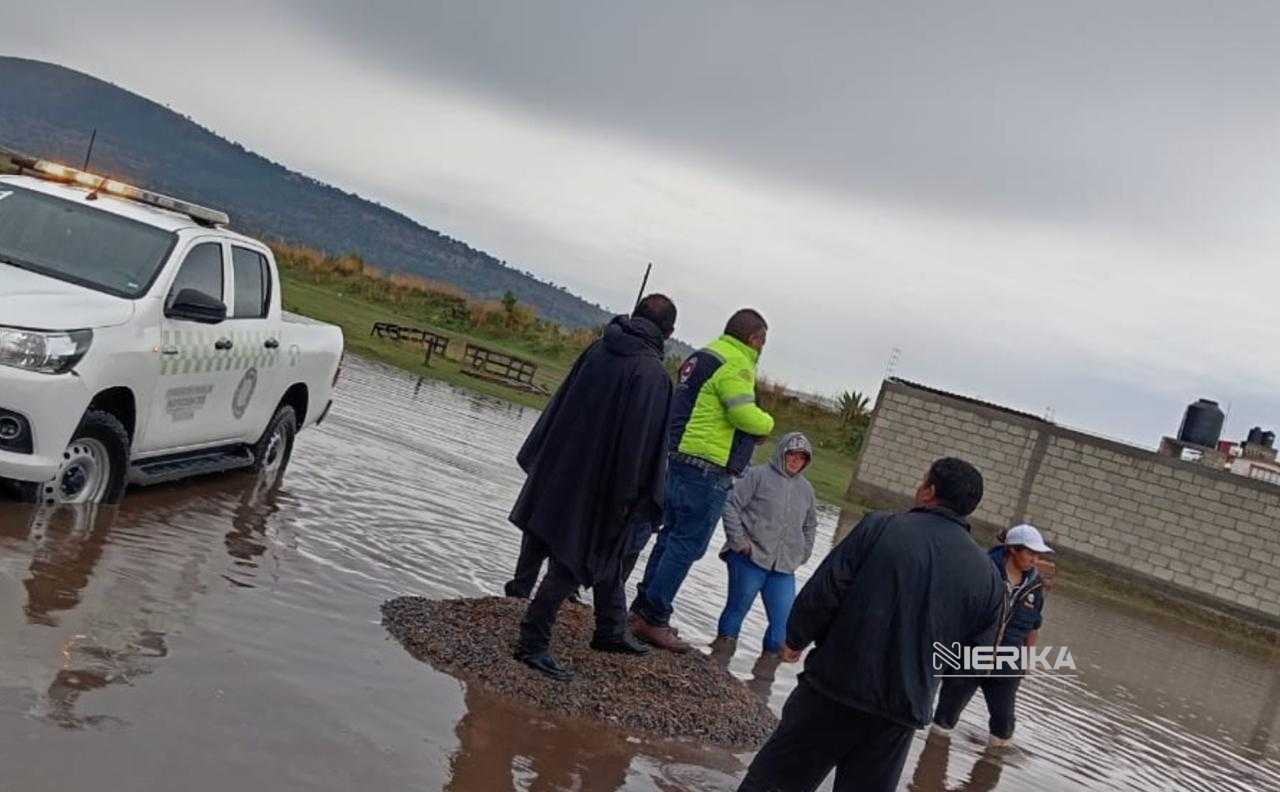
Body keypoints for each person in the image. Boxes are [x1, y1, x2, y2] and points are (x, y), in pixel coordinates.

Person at [738, 458, 1005, 792]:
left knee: (774, 784)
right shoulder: (989, 578)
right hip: (900, 715)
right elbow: (973, 661)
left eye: (922, 480)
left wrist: (795, 639)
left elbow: (825, 590)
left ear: (929, 492)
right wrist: (923, 676)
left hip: (833, 691)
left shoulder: (880, 527)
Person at [510, 294, 677, 681]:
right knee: (574, 559)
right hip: (603, 484)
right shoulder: (651, 374)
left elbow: (563, 404)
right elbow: (640, 445)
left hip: (564, 464)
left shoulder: (599, 348)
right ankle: (532, 642)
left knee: (607, 555)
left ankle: (609, 628)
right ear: (669, 332)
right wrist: (628, 499)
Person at [629, 308, 775, 652]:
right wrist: (766, 423)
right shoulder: (737, 363)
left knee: (669, 537)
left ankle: (640, 609)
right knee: (686, 544)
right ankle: (652, 616)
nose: (762, 349)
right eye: (763, 342)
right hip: (708, 465)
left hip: (679, 457)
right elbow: (742, 413)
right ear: (755, 339)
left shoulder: (702, 355)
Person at [931, 523, 1053, 747]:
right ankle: (930, 766)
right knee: (944, 721)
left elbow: (1034, 626)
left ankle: (990, 767)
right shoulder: (982, 570)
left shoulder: (1035, 587)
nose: (1035, 559)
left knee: (1004, 728)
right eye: (1030, 553)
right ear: (1012, 549)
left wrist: (1027, 660)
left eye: (1038, 554)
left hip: (1007, 665)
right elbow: (956, 613)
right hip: (969, 658)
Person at [709, 432, 818, 678]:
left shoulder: (807, 490)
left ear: (806, 461)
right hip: (749, 559)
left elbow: (810, 525)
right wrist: (738, 542)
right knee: (737, 610)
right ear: (782, 452)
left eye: (801, 457)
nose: (795, 460)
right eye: (791, 454)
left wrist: (803, 553)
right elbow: (731, 505)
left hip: (783, 568)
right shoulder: (757, 475)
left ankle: (763, 680)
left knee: (782, 629)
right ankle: (717, 667)